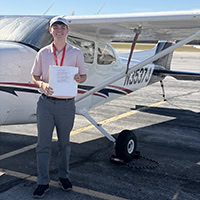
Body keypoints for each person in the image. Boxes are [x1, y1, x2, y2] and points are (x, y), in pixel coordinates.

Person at [31, 16, 87, 198]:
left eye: (62, 27)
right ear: (51, 31)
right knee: (43, 144)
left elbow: (84, 76)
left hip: (66, 104)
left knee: (65, 144)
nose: (59, 30)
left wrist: (80, 79)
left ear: (67, 31)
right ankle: (42, 181)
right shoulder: (43, 53)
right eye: (56, 27)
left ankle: (64, 176)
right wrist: (42, 85)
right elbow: (35, 77)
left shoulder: (76, 53)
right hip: (46, 104)